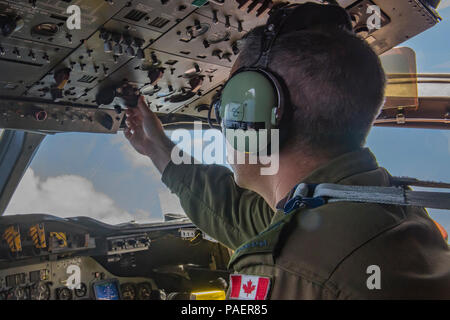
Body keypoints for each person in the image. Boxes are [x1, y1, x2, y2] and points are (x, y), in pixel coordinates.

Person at [124, 2, 450, 299]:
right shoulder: (382, 206)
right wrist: (158, 149)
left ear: (252, 115)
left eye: (228, 105)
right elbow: (237, 215)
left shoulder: (286, 271)